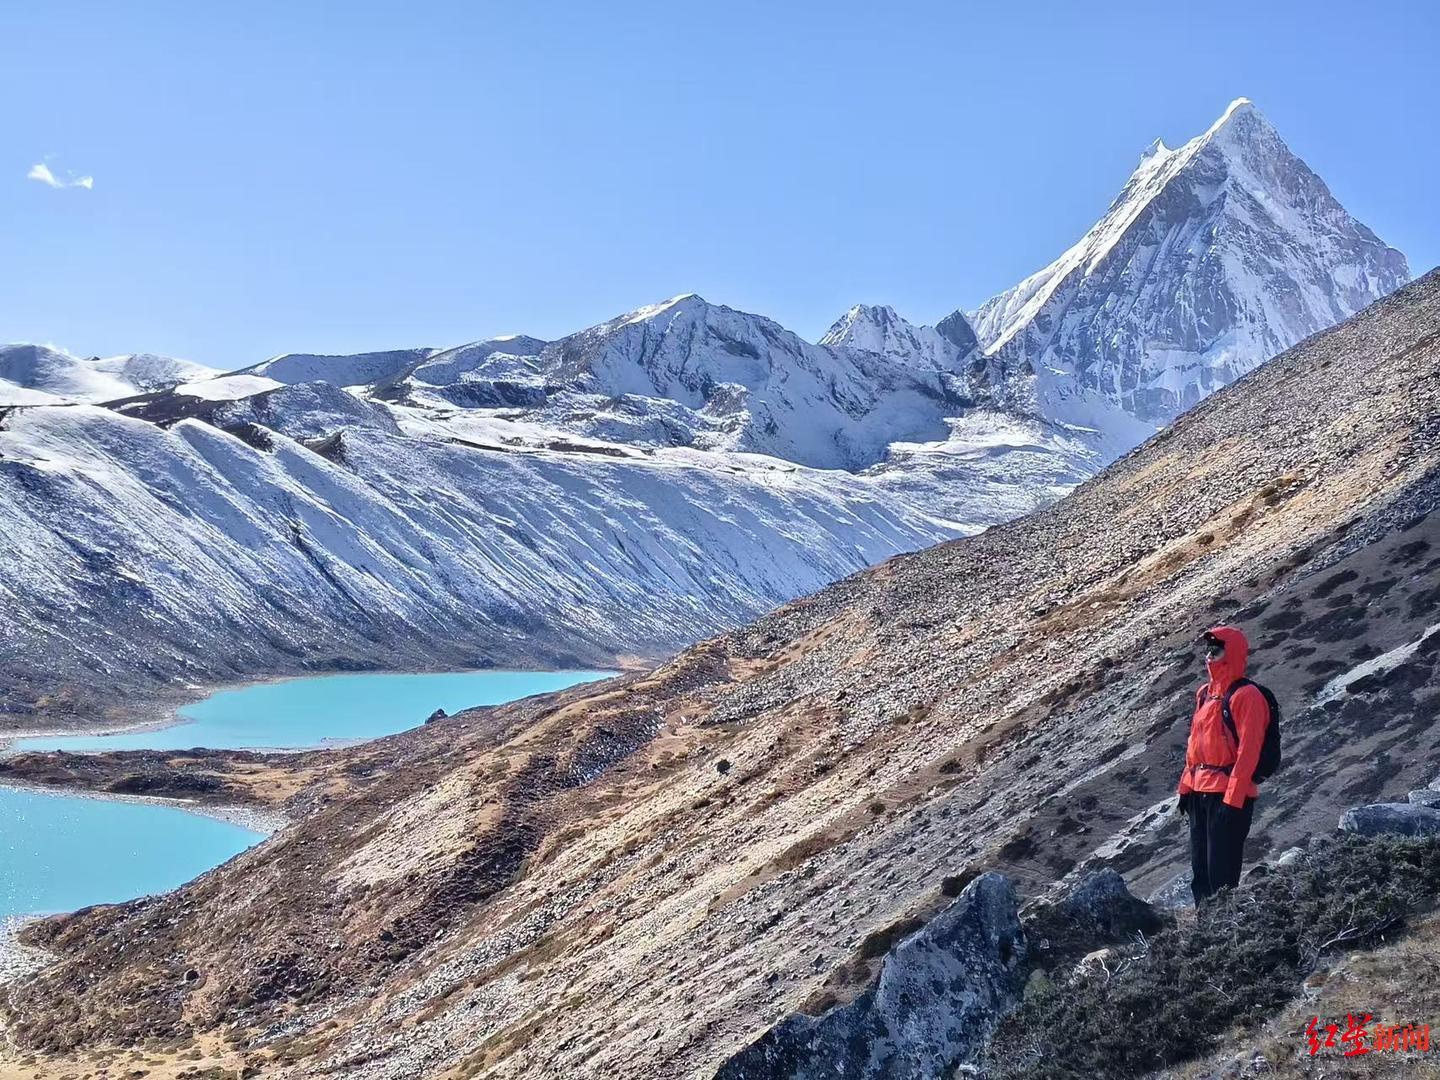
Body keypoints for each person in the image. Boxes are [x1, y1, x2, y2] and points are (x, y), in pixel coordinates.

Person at [1176, 625, 1270, 905]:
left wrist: (1233, 799)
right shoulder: (1204, 694)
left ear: (1232, 654)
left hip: (1227, 796)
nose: (1209, 655)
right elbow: (1195, 746)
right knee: (1201, 874)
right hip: (1199, 793)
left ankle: (1225, 938)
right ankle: (1206, 940)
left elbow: (1248, 752)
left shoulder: (1247, 696)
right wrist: (1185, 788)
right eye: (1208, 650)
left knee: (1221, 877)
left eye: (1216, 650)